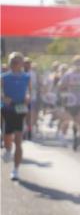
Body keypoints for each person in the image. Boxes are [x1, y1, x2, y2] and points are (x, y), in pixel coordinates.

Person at [2, 52, 32, 181]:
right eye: (12, 61)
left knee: (18, 141)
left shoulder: (26, 77)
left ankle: (16, 170)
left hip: (20, 108)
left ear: (21, 63)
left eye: (17, 61)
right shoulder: (3, 77)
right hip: (7, 108)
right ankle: (8, 150)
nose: (14, 63)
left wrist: (28, 98)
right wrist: (3, 97)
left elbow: (29, 91)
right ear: (9, 63)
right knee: (7, 136)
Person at [57, 56, 80, 151]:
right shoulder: (68, 74)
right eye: (76, 63)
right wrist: (68, 85)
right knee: (75, 121)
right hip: (71, 102)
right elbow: (60, 85)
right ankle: (75, 138)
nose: (78, 65)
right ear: (73, 64)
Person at [23, 57, 38, 141]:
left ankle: (29, 132)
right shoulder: (20, 73)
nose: (27, 65)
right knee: (23, 115)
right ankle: (23, 131)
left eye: (28, 63)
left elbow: (33, 86)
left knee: (29, 116)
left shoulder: (33, 74)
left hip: (31, 98)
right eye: (25, 63)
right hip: (21, 98)